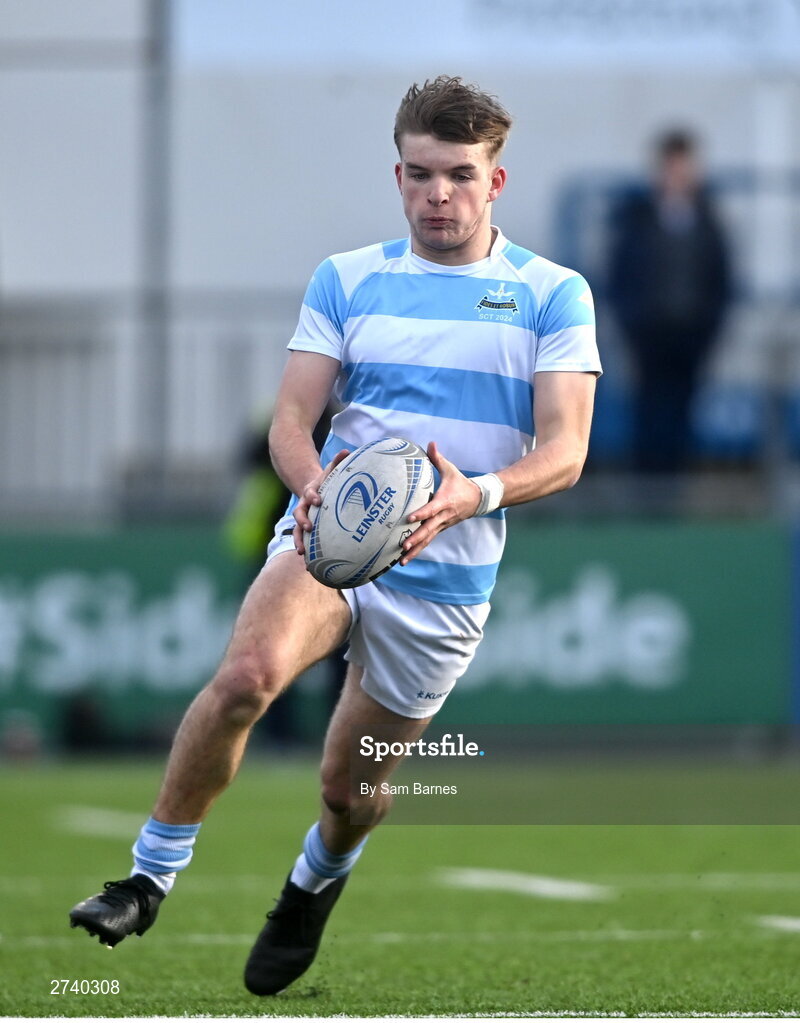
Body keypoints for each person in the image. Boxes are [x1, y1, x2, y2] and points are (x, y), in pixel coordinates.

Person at [68, 75, 601, 996]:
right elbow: (289, 421)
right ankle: (145, 878)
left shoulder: (551, 294)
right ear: (398, 175)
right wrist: (317, 489)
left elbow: (567, 451)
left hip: (446, 575)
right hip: (332, 539)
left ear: (495, 183)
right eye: (423, 175)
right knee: (246, 678)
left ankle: (315, 882)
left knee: (348, 793)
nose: (441, 194)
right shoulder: (346, 277)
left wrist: (472, 494)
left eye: (461, 176)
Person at [607, 128, 731, 473]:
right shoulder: (637, 218)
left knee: (685, 408)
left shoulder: (708, 219)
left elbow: (720, 278)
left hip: (692, 333)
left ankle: (677, 483)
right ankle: (647, 486)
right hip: (648, 333)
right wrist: (632, 322)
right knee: (648, 407)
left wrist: (709, 326)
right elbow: (621, 275)